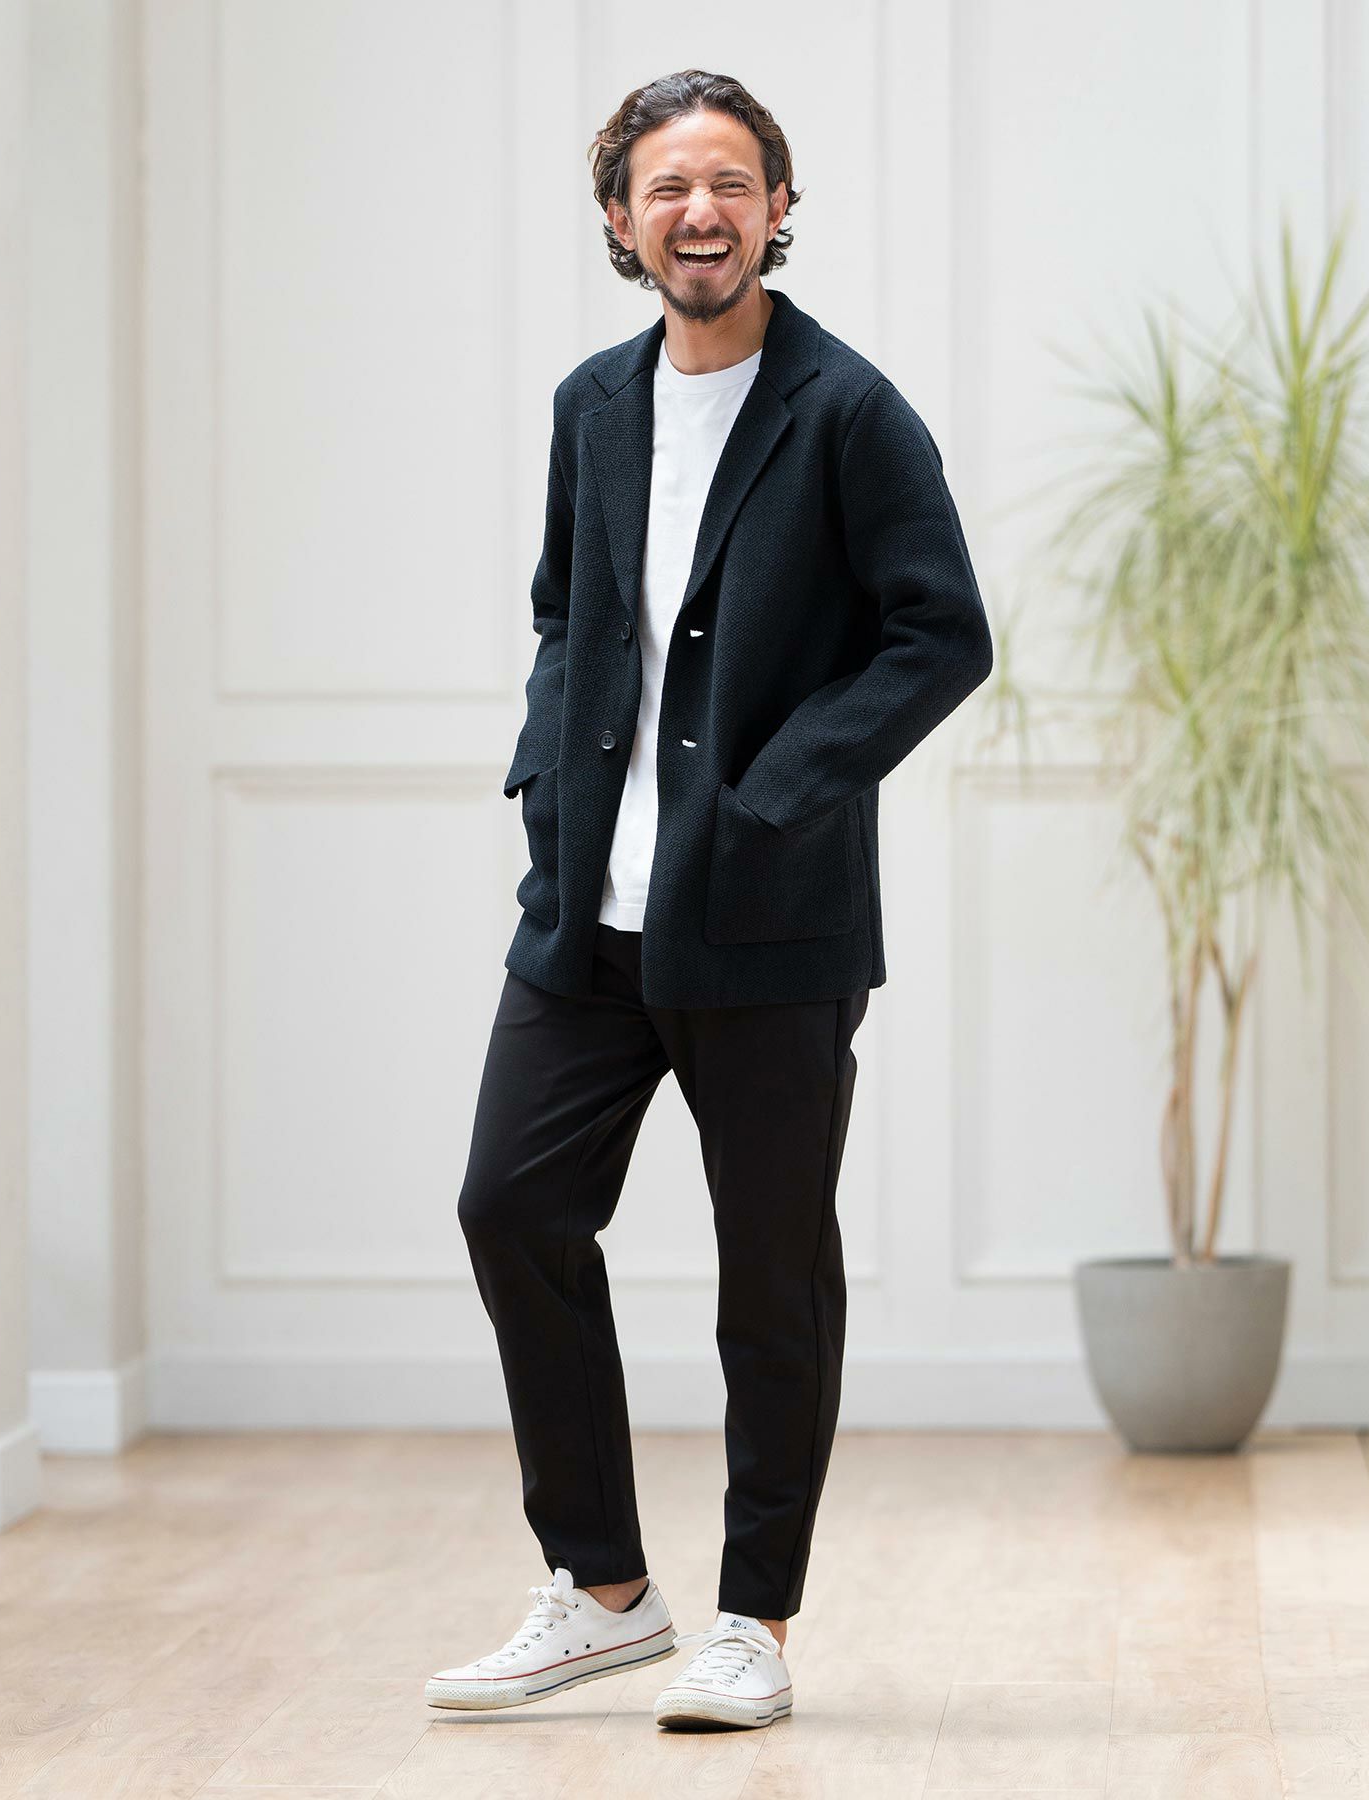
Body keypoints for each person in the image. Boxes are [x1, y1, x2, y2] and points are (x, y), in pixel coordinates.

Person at [427, 68, 992, 1731]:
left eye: (733, 183)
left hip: (767, 928)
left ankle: (755, 1621)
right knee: (511, 1208)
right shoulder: (593, 405)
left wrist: (772, 797)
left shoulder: (849, 412)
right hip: (584, 920)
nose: (702, 212)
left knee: (772, 1274)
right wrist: (549, 780)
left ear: (778, 209)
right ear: (621, 217)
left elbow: (940, 634)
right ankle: (604, 1589)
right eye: (669, 186)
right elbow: (564, 612)